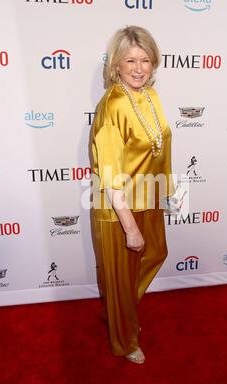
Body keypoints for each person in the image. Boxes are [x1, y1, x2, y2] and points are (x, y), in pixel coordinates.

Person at [90, 25, 175, 364]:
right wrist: (130, 227)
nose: (139, 68)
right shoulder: (112, 106)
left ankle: (117, 307)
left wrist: (167, 192)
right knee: (122, 277)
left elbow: (159, 147)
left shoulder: (150, 96)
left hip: (149, 197)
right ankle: (123, 341)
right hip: (119, 208)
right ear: (116, 66)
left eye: (146, 60)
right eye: (130, 60)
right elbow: (110, 177)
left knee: (156, 253)